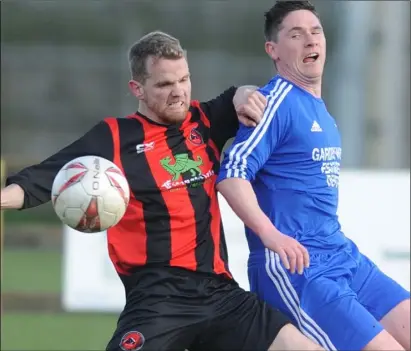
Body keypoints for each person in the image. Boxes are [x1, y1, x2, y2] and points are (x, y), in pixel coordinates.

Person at [0, 31, 324, 351]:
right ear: (137, 89)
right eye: (165, 84)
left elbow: (241, 95)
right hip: (157, 300)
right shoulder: (114, 137)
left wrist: (244, 94)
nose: (179, 92)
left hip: (220, 294)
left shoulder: (204, 121)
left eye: (184, 80)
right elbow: (40, 181)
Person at [216, 1, 410, 351]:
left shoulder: (318, 106)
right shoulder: (274, 101)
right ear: (272, 50)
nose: (310, 40)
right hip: (299, 268)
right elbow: (231, 174)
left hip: (342, 256)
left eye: (315, 32)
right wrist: (271, 236)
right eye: (296, 34)